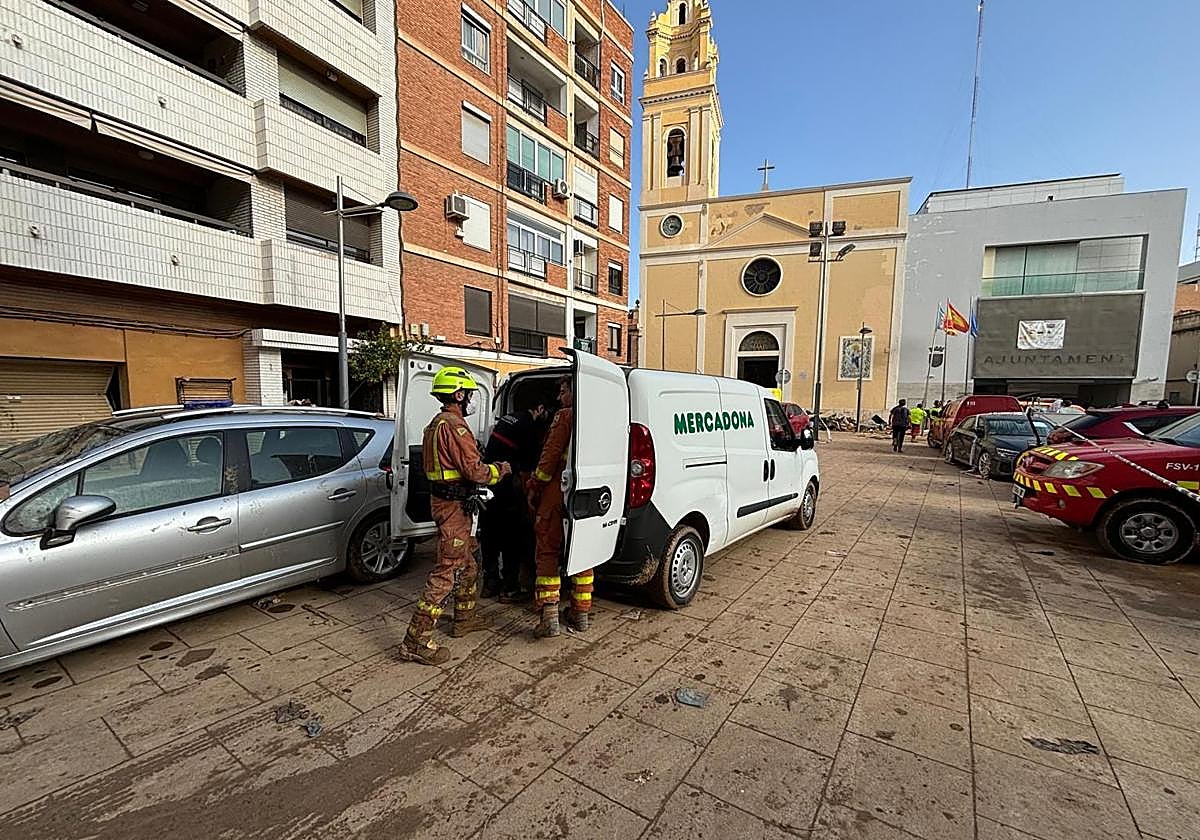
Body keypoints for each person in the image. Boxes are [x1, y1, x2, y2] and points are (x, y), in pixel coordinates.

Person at [398, 367, 511, 666]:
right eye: (469, 394)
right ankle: (415, 640)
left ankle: (464, 619)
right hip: (453, 509)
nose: (471, 399)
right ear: (459, 395)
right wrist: (501, 470)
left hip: (449, 504)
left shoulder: (435, 424)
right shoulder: (455, 427)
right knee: (445, 572)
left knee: (469, 564)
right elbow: (476, 472)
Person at [527, 377, 592, 637]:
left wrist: (534, 484)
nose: (559, 397)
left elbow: (550, 456)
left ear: (575, 392)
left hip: (558, 490)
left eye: (563, 391)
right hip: (589, 493)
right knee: (584, 552)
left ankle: (549, 617)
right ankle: (581, 613)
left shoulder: (565, 416)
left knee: (548, 550)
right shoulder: (601, 416)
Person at [479, 399, 552, 602]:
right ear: (539, 408)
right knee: (512, 537)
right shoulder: (529, 425)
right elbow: (529, 467)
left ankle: (490, 582)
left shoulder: (507, 418)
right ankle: (510, 588)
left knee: (489, 535)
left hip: (490, 483)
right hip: (508, 486)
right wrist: (531, 495)